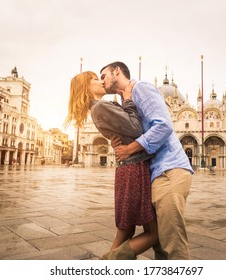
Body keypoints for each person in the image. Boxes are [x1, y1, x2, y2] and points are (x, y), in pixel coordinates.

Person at [100, 61, 194, 260]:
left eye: (104, 76)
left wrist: (128, 149)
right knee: (160, 243)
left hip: (169, 169)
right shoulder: (127, 99)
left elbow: (163, 126)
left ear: (117, 71)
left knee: (172, 243)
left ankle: (110, 261)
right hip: (153, 174)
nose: (102, 82)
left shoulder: (140, 88)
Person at [64, 71, 158, 260]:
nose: (101, 81)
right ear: (86, 88)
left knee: (125, 231)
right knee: (154, 234)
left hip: (130, 168)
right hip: (134, 170)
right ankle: (108, 263)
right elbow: (136, 128)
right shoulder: (100, 107)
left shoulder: (99, 107)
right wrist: (129, 98)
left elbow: (127, 128)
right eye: (95, 79)